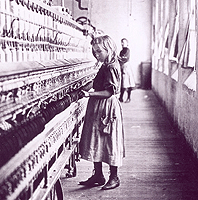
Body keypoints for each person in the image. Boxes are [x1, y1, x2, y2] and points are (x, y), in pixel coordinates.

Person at [78, 35, 125, 190]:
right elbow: (96, 82)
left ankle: (114, 177)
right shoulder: (105, 65)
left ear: (108, 49)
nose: (96, 55)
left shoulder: (112, 66)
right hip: (98, 106)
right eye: (94, 52)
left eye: (99, 51)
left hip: (107, 107)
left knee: (109, 141)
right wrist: (83, 87)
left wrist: (89, 94)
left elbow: (109, 92)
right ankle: (98, 175)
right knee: (96, 139)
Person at [118, 38, 135, 103]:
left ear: (127, 43)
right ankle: (121, 97)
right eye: (122, 42)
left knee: (127, 83)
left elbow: (124, 59)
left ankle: (128, 98)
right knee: (123, 83)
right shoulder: (122, 51)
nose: (122, 44)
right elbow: (120, 58)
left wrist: (119, 58)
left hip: (126, 67)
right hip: (122, 67)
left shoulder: (127, 50)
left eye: (124, 42)